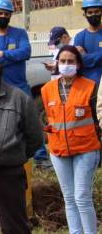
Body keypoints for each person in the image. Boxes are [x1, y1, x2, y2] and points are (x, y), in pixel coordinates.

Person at [0, 50, 44, 234]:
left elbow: (35, 138)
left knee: (14, 227)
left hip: (7, 174)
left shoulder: (18, 98)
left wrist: (11, 154)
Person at [41, 46, 99, 234]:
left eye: (71, 61)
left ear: (78, 64)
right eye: (63, 61)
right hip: (58, 150)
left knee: (82, 196)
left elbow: (97, 118)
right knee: (69, 198)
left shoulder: (90, 86)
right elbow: (50, 118)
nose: (66, 65)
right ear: (57, 63)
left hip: (86, 149)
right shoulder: (46, 89)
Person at [0, 0, 32, 95]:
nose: (3, 16)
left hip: (21, 89)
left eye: (6, 14)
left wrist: (3, 54)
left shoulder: (20, 33)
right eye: (0, 13)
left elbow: (26, 52)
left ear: (10, 16)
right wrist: (16, 57)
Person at [73, 0, 102, 84]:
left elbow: (84, 59)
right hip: (86, 85)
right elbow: (78, 61)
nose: (94, 15)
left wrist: (86, 57)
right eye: (90, 12)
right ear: (84, 15)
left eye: (96, 11)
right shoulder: (80, 37)